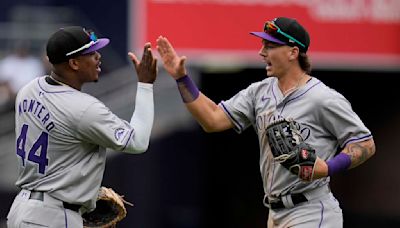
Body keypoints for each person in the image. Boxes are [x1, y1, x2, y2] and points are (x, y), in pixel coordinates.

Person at [156, 17, 375, 227]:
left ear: (293, 52)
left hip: (311, 210)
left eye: (270, 46)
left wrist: (327, 167)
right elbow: (212, 119)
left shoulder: (322, 98)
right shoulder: (259, 92)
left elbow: (365, 144)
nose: (262, 52)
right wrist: (181, 79)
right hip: (276, 213)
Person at [6, 26, 157, 228]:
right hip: (53, 215)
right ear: (74, 63)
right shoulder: (84, 109)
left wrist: (81, 192)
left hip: (21, 209)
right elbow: (138, 142)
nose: (98, 57)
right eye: (91, 53)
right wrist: (145, 85)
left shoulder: (28, 90)